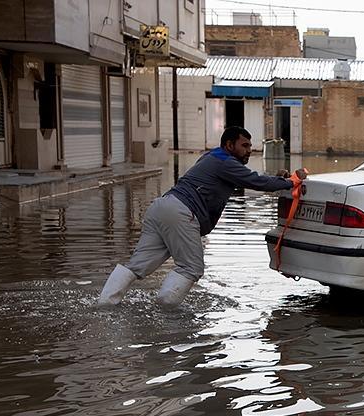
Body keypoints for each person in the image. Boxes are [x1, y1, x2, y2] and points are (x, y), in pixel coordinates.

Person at [97, 126, 307, 307]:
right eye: (244, 146)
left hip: (161, 207)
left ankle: (105, 305)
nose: (249, 150)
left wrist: (277, 179)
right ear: (229, 145)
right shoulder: (226, 163)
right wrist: (292, 181)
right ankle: (165, 312)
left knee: (137, 265)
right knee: (192, 268)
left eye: (250, 146)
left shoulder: (212, 156)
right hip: (181, 212)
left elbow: (253, 178)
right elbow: (257, 182)